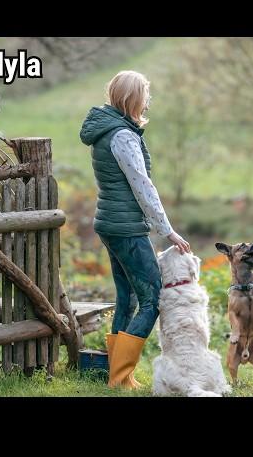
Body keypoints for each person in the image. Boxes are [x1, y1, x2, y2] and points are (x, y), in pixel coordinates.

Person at [79, 70, 190, 389]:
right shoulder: (122, 135)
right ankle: (120, 375)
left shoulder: (107, 128)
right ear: (133, 99)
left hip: (110, 222)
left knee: (127, 297)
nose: (148, 100)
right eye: (145, 94)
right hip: (126, 227)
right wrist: (167, 230)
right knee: (153, 298)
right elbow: (142, 186)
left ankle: (117, 375)